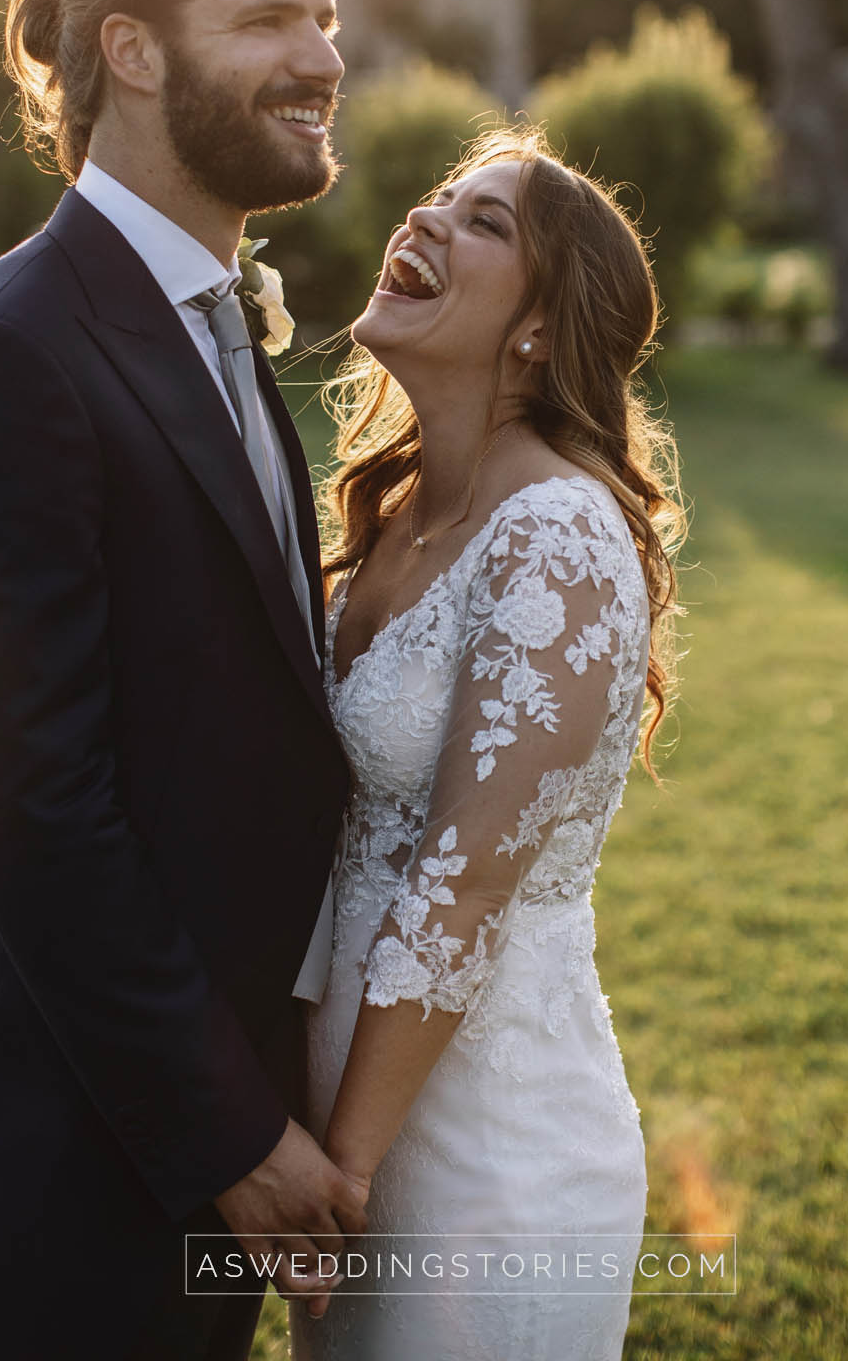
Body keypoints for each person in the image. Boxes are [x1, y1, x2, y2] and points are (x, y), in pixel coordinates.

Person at [0, 0, 367, 1361]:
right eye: (271, 17)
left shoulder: (207, 312)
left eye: (327, 16)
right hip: (71, 1149)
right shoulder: (8, 358)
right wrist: (228, 1132)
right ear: (132, 52)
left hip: (202, 1119)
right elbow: (37, 812)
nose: (324, 57)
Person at [291, 128, 683, 1359]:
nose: (423, 220)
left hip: (485, 1164)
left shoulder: (559, 536)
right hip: (346, 1126)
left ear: (540, 330)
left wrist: (336, 1180)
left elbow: (462, 885)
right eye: (437, 200)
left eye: (483, 221)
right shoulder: (397, 510)